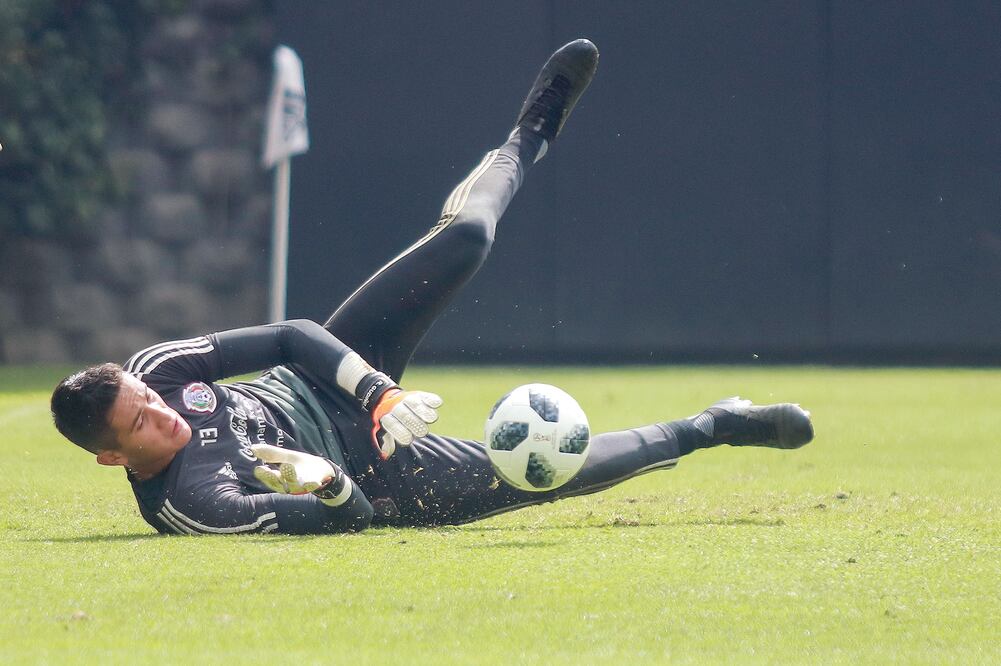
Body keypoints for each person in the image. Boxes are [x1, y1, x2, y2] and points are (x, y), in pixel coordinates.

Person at [50, 39, 814, 536]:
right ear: (114, 461)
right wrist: (325, 485)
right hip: (384, 476)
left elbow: (287, 336)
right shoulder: (193, 504)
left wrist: (374, 391)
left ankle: (530, 134)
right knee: (549, 473)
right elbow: (346, 524)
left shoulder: (155, 372)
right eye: (140, 425)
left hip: (326, 379)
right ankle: (716, 425)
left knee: (465, 240)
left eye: (145, 400)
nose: (158, 411)